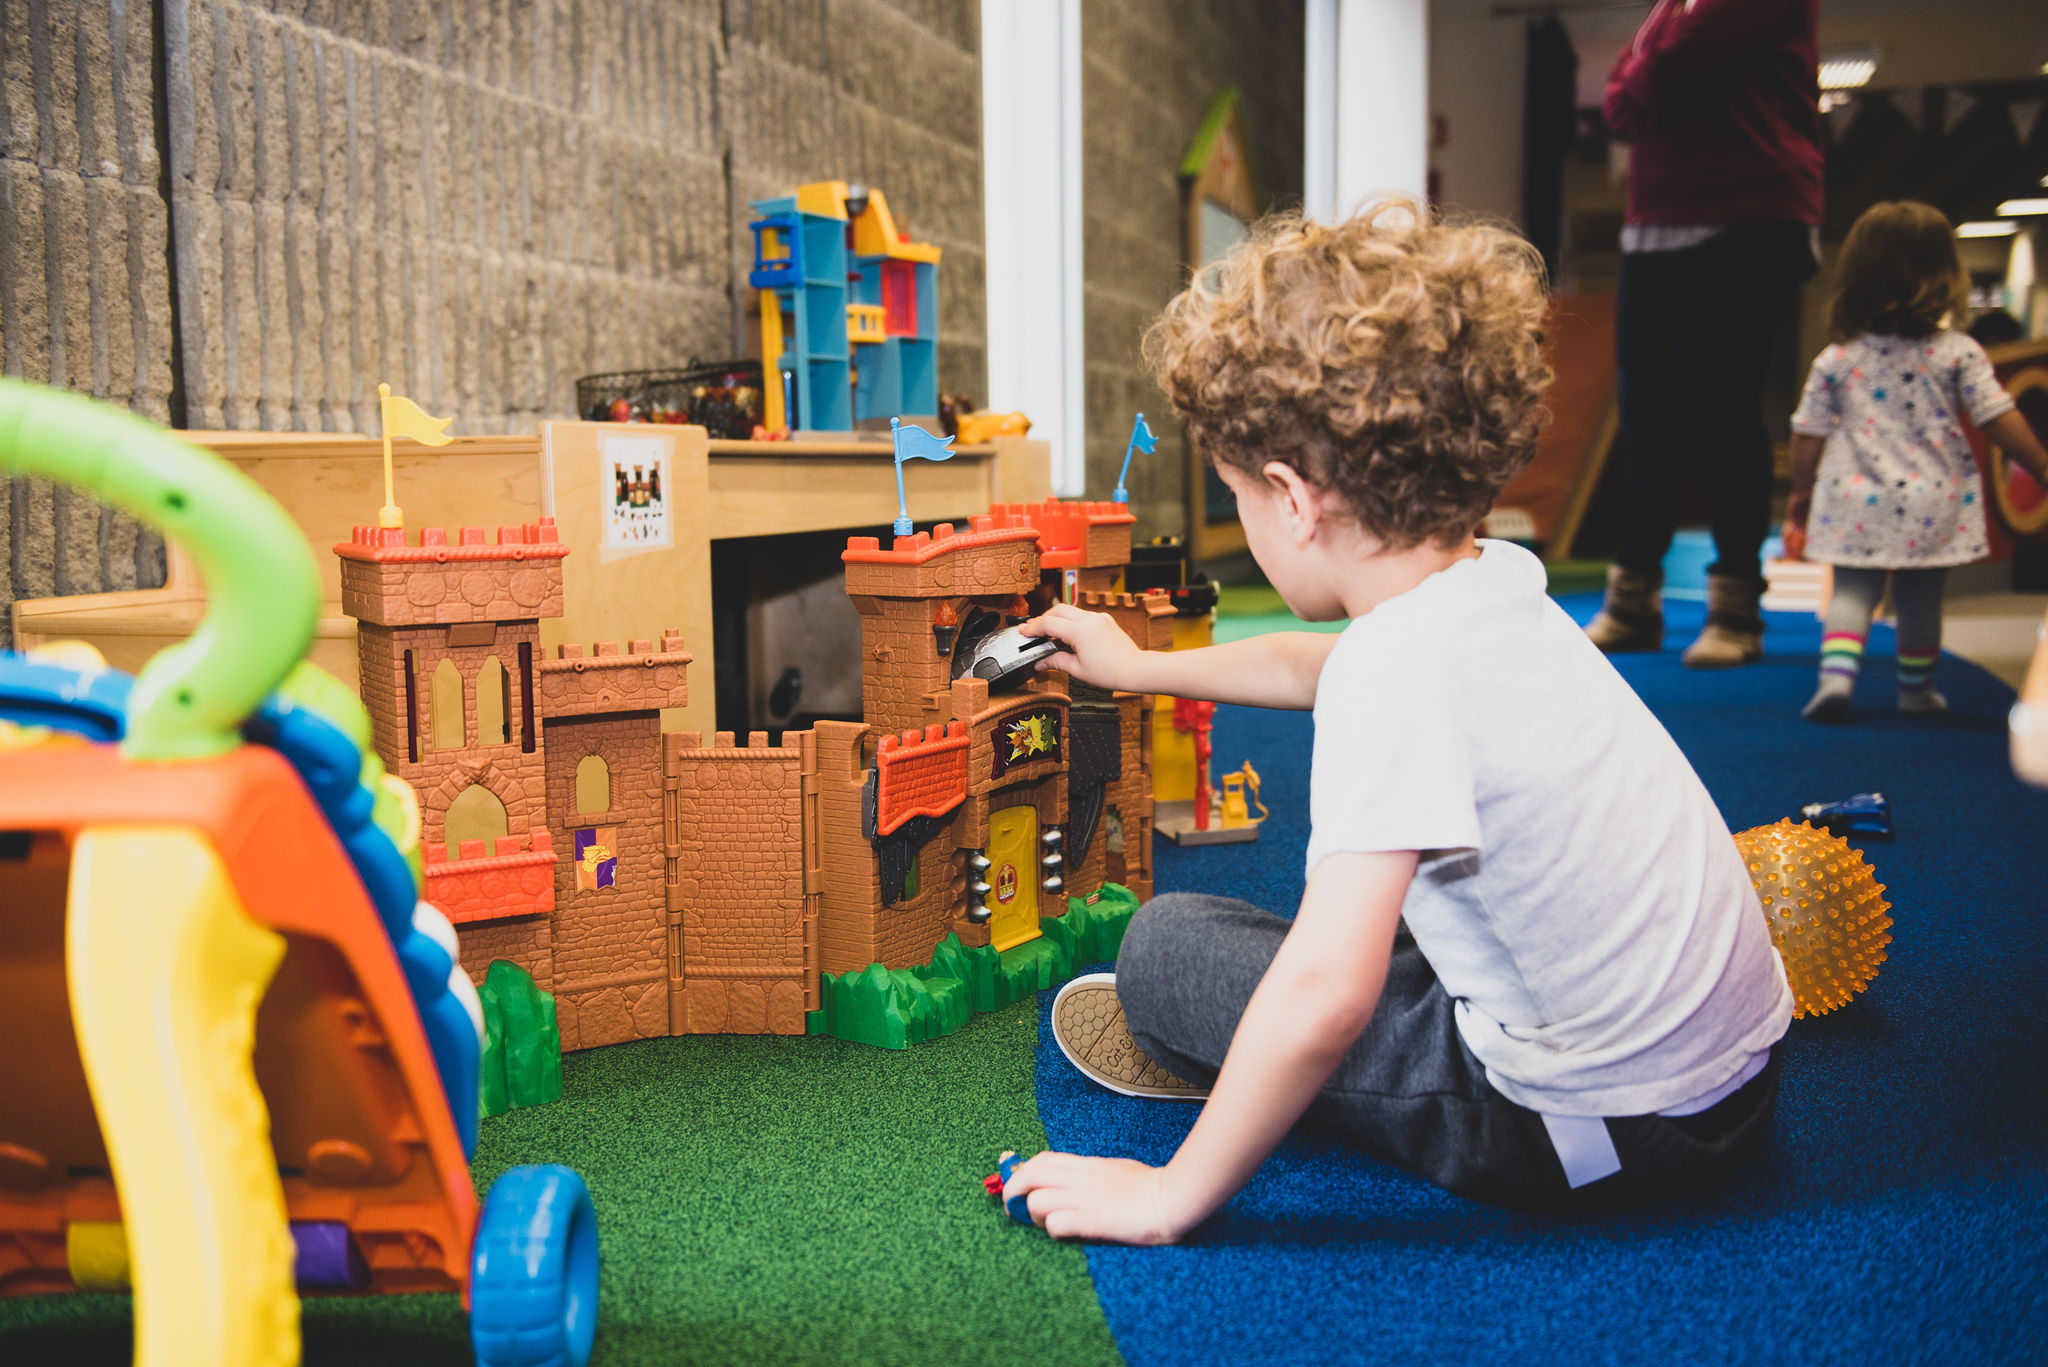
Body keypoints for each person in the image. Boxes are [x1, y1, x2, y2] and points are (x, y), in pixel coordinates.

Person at [1005, 203, 1793, 1243]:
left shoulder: (1391, 670)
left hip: (1593, 1127)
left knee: (1166, 949)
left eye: (1236, 495)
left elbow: (1331, 992)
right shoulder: (1488, 579)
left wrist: (1166, 1195)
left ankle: (1259, 1083)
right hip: (1735, 1075)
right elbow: (1312, 666)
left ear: (1291, 499)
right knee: (1374, 923)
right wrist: (1138, 666)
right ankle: (1271, 1061)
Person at [1586, 0, 1822, 668]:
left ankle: (1735, 608)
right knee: (1646, 418)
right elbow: (1619, 103)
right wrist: (1640, 78)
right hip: (1654, 222)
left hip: (1740, 214)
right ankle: (1633, 599)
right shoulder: (1670, 7)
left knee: (1724, 416)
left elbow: (1661, 76)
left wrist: (1640, 76)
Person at [1785, 202, 2048, 723]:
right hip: (1932, 495)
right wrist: (2040, 464)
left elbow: (1807, 432)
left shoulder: (1836, 359)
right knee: (1921, 600)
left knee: (1852, 591)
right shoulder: (1958, 352)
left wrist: (1801, 490)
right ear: (1946, 274)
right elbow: (1998, 417)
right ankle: (1915, 691)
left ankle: (1836, 679)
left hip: (1853, 493)